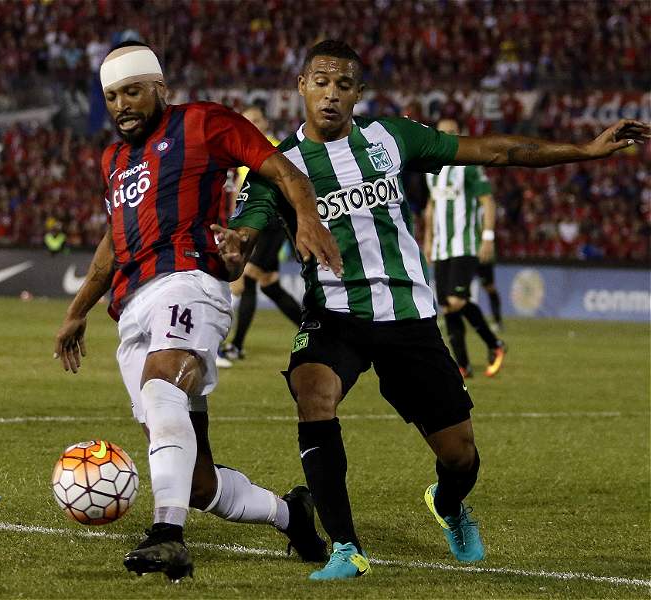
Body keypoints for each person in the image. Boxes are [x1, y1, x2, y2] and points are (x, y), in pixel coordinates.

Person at [218, 39, 649, 581]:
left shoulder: (391, 138)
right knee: (313, 393)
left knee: (460, 455)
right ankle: (345, 547)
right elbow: (242, 241)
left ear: (358, 93)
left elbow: (497, 152)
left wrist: (583, 151)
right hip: (334, 315)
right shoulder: (278, 169)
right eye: (320, 82)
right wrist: (231, 249)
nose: (331, 94)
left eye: (343, 85)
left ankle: (447, 504)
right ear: (300, 87)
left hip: (408, 315)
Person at [54, 42, 342, 581]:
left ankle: (168, 536)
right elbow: (114, 243)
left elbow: (279, 167)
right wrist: (77, 311)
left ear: (159, 89)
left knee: (164, 383)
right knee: (196, 480)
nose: (123, 105)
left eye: (133, 91)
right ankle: (290, 514)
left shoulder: (204, 123)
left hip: (188, 282)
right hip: (132, 305)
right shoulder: (113, 160)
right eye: (113, 96)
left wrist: (304, 213)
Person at [218, 104, 302, 367]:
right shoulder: (241, 151)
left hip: (272, 225)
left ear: (265, 122)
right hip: (253, 226)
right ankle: (312, 328)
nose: (251, 124)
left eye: (255, 119)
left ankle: (228, 346)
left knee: (244, 280)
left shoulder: (277, 149)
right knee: (268, 284)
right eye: (247, 120)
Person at [423, 117, 505, 378]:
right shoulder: (431, 169)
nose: (447, 136)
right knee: (448, 306)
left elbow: (488, 201)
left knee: (457, 301)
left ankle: (495, 344)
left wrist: (488, 237)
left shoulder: (469, 166)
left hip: (465, 243)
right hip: (441, 247)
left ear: (459, 135)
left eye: (452, 132)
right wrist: (427, 239)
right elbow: (432, 206)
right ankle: (463, 365)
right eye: (442, 132)